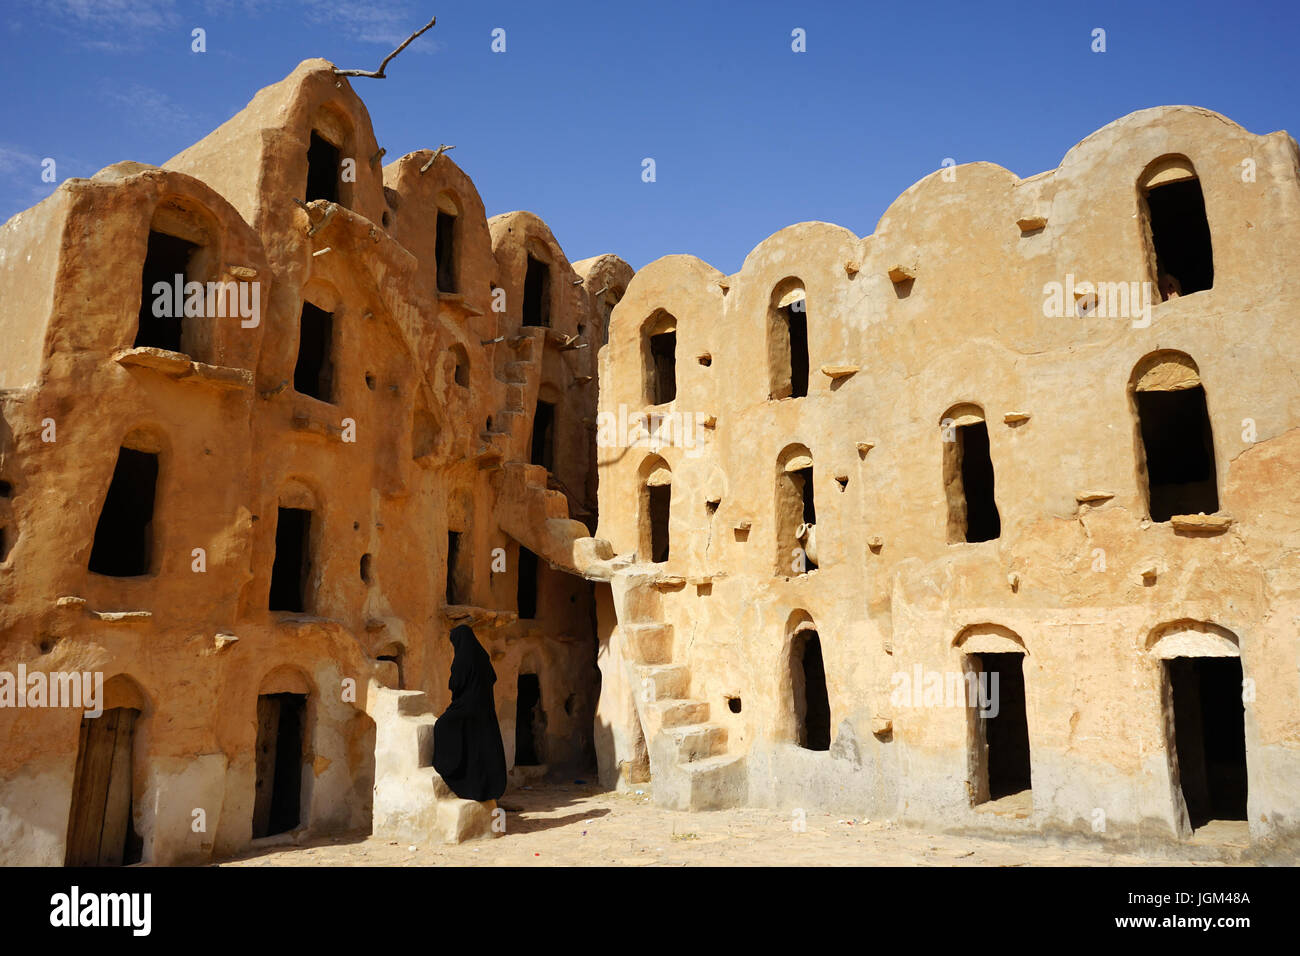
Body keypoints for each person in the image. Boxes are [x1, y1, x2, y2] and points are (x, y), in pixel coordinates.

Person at [432, 624, 507, 801]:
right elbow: (492, 677)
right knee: (480, 748)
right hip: (484, 709)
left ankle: (451, 770)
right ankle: (485, 787)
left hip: (466, 708)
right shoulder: (482, 657)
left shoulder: (463, 659)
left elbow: (455, 684)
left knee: (442, 725)